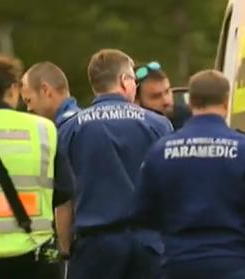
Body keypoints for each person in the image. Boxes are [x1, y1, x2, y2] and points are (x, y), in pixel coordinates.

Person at [134, 70, 245, 279]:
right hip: (233, 265)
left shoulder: (160, 151)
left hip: (178, 266)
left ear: (191, 102)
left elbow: (143, 213)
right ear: (227, 103)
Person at [58, 49, 173, 279]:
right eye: (133, 78)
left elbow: (64, 198)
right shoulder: (158, 125)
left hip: (95, 247)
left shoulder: (70, 129)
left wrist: (65, 249)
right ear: (123, 81)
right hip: (148, 245)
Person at [0, 55, 74, 278]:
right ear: (13, 89)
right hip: (36, 256)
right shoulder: (44, 129)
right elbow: (64, 194)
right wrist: (64, 252)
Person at [20, 61, 80, 127]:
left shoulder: (66, 128)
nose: (29, 109)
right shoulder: (81, 121)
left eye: (29, 100)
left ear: (46, 90)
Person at [135, 61, 191, 129]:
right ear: (136, 101)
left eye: (167, 92)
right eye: (156, 96)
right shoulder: (135, 129)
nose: (166, 101)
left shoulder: (190, 117)